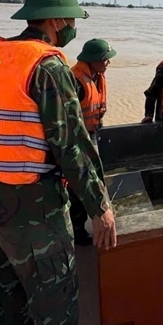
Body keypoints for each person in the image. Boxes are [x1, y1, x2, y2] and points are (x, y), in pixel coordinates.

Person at [0, 0, 117, 325]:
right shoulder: (46, 66)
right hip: (33, 213)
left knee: (12, 308)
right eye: (71, 20)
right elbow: (71, 147)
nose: (72, 29)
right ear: (54, 20)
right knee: (55, 311)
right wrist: (100, 208)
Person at [68, 38, 116, 246]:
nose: (108, 63)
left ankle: (86, 219)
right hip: (78, 140)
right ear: (92, 60)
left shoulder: (97, 76)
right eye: (105, 59)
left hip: (92, 134)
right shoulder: (76, 81)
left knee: (94, 180)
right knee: (78, 186)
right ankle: (77, 230)